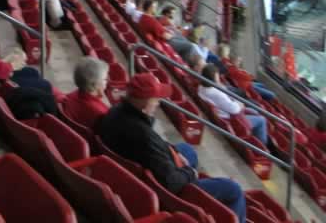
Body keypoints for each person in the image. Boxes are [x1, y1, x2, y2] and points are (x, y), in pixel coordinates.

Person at [99, 73, 246, 223]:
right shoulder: (144, 136)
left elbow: (154, 146)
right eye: (156, 99)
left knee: (187, 150)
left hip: (149, 166)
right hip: (172, 191)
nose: (158, 103)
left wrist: (172, 151)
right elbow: (171, 182)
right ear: (145, 102)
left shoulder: (115, 111)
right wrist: (190, 172)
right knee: (233, 189)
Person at [199, 65, 268, 146]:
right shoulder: (217, 93)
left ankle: (254, 139)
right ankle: (262, 149)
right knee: (262, 120)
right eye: (216, 77)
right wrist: (240, 104)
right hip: (233, 121)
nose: (218, 79)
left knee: (254, 111)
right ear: (212, 79)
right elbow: (234, 109)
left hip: (225, 115)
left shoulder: (201, 87)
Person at [63, 57, 110, 129]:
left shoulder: (70, 96)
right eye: (105, 79)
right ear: (95, 84)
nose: (107, 82)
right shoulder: (101, 113)